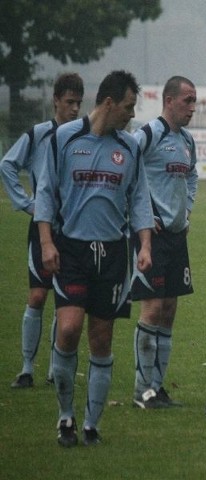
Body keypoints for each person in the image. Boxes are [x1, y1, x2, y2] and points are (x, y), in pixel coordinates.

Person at [34, 70, 154, 447]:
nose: (131, 115)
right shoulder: (65, 139)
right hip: (71, 249)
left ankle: (91, 425)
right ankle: (65, 417)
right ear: (108, 103)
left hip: (113, 254)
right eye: (128, 106)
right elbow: (45, 193)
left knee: (101, 339)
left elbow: (139, 198)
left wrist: (145, 245)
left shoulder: (130, 146)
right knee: (68, 329)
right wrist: (47, 243)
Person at [1, 73, 84, 388]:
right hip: (43, 227)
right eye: (69, 102)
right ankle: (26, 369)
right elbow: (7, 165)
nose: (75, 109)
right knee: (37, 295)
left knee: (66, 301)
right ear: (56, 101)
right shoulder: (38, 135)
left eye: (78, 103)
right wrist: (26, 203)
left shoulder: (82, 137)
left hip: (74, 230)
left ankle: (54, 368)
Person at [130, 76, 198, 409]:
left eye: (194, 101)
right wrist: (139, 213)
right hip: (150, 237)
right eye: (187, 100)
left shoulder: (187, 141)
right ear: (169, 100)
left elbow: (193, 175)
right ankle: (142, 391)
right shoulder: (147, 134)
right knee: (152, 308)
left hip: (175, 238)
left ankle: (157, 388)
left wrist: (187, 209)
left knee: (169, 310)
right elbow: (126, 165)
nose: (192, 107)